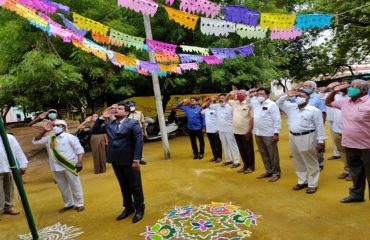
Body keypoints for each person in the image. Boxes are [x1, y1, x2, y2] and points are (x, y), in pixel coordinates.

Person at [91, 103, 145, 223]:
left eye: (120, 109)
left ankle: (139, 208)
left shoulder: (133, 123)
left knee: (135, 186)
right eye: (116, 108)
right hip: (116, 160)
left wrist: (136, 160)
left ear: (127, 113)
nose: (116, 110)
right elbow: (94, 130)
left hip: (130, 160)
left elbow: (139, 142)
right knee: (123, 185)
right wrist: (102, 117)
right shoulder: (110, 124)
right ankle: (128, 207)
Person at [326, 80, 370, 203]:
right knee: (355, 172)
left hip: (367, 146)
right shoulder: (345, 102)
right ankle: (356, 195)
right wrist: (334, 91)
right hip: (350, 144)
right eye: (350, 86)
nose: (350, 89)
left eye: (354, 87)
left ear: (363, 90)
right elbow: (328, 102)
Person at [277, 90, 326, 194]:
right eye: (297, 95)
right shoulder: (291, 107)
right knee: (298, 160)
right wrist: (287, 95)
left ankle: (312, 184)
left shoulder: (314, 110)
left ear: (307, 98)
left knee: (310, 160)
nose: (298, 97)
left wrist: (321, 141)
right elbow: (279, 103)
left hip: (308, 136)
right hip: (293, 136)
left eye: (301, 96)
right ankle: (302, 181)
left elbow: (320, 126)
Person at [32, 120, 85, 212]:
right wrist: (44, 131)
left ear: (63, 127)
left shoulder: (70, 137)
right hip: (55, 167)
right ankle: (68, 204)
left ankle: (79, 204)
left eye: (57, 125)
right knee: (62, 187)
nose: (55, 127)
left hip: (69, 166)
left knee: (75, 185)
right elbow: (35, 141)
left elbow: (79, 150)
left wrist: (79, 162)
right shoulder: (49, 138)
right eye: (54, 125)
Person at [248, 88, 281, 182]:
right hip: (258, 132)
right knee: (263, 153)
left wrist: (276, 133)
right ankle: (268, 171)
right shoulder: (255, 103)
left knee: (272, 153)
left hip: (269, 133)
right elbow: (247, 102)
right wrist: (250, 93)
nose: (259, 96)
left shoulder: (272, 104)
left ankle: (276, 173)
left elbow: (277, 119)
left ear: (267, 95)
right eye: (258, 94)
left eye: (262, 94)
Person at [208, 94, 241, 168]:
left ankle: (237, 161)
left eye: (223, 98)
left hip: (229, 129)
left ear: (226, 99)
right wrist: (211, 99)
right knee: (224, 145)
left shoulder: (230, 107)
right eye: (220, 98)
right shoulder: (217, 106)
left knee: (232, 145)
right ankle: (228, 160)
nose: (221, 99)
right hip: (221, 129)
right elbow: (209, 105)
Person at [225, 90, 255, 172]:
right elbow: (225, 100)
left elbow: (252, 118)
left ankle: (251, 167)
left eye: (240, 93)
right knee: (242, 150)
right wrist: (229, 93)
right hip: (236, 131)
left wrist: (249, 131)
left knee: (249, 150)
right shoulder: (235, 103)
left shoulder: (249, 104)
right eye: (237, 93)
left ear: (245, 95)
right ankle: (245, 165)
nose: (238, 95)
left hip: (245, 131)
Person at [0, 134, 28, 216]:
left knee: (9, 188)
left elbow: (17, 150)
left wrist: (23, 164)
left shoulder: (9, 137)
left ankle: (8, 207)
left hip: (8, 167)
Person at [301, 81, 327, 170]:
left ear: (313, 88)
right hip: (304, 126)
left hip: (316, 126)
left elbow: (323, 113)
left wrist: (321, 126)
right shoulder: (300, 97)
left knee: (318, 144)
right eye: (304, 86)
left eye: (308, 86)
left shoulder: (317, 98)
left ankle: (320, 162)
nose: (305, 87)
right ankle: (309, 162)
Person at [200, 98, 222, 163]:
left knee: (217, 144)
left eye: (210, 102)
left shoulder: (216, 110)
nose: (208, 103)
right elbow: (200, 111)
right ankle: (215, 156)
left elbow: (219, 120)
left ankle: (219, 157)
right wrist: (202, 105)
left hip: (215, 130)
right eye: (207, 102)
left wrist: (218, 129)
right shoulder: (206, 110)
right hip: (209, 130)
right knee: (212, 144)